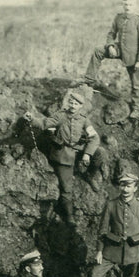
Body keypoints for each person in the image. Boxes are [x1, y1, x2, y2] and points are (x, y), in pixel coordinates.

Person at [26, 90, 108, 225]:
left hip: (78, 150)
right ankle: (69, 215)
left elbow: (94, 138)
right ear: (68, 102)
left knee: (100, 153)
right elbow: (44, 123)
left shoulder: (83, 119)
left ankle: (90, 175)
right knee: (66, 187)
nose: (73, 105)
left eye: (76, 103)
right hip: (63, 154)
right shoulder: (61, 116)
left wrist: (87, 154)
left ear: (80, 106)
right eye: (71, 102)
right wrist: (32, 119)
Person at [85, 0, 139, 120]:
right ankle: (89, 80)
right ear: (123, 5)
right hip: (119, 49)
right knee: (98, 51)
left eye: (130, 5)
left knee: (136, 84)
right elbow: (111, 34)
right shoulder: (118, 18)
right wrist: (110, 46)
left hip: (134, 56)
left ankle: (136, 108)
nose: (128, 7)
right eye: (126, 5)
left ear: (135, 6)